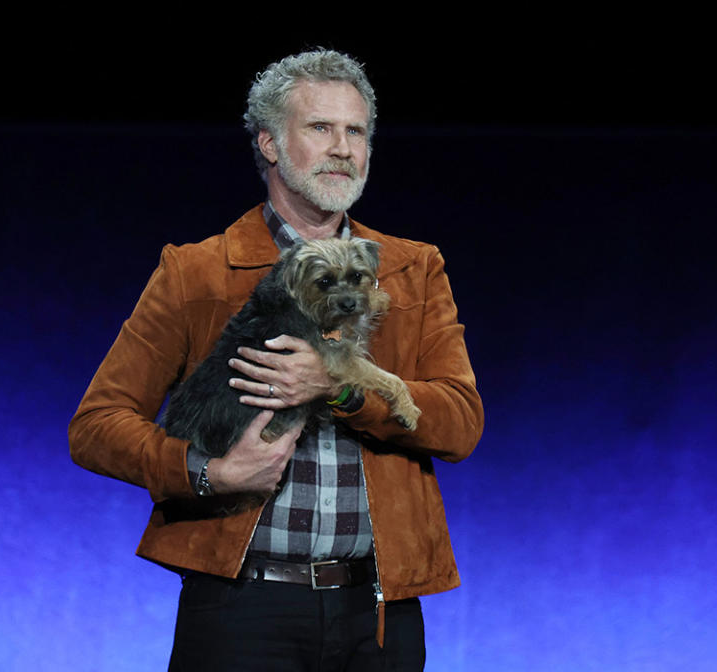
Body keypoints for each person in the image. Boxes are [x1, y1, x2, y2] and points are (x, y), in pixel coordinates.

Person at [69, 49, 483, 671]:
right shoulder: (198, 271)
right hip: (242, 609)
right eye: (320, 128)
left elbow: (459, 424)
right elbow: (96, 427)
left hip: (375, 611)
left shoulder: (412, 268)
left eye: (357, 131)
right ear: (268, 142)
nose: (343, 147)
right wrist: (208, 473)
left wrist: (341, 389)